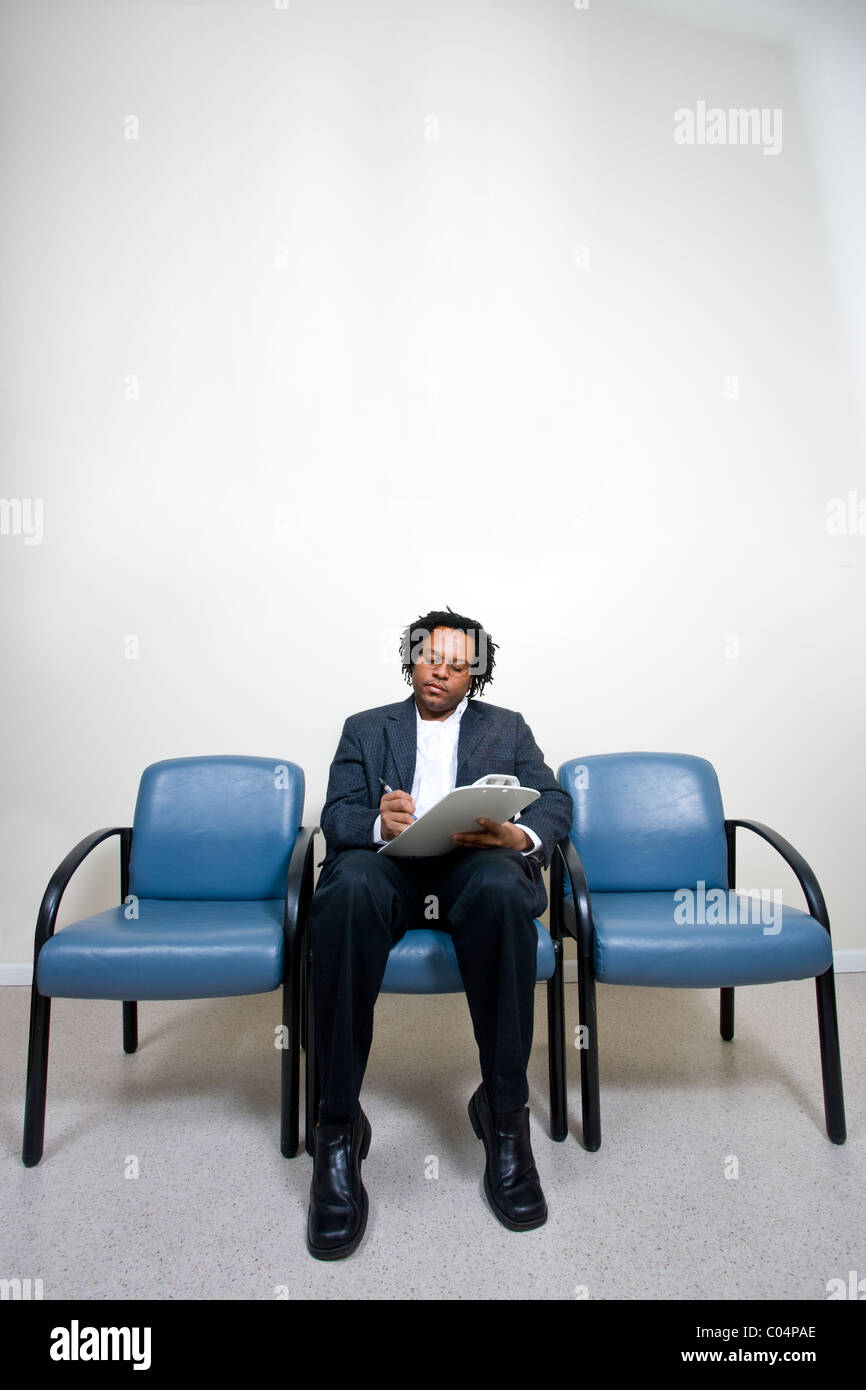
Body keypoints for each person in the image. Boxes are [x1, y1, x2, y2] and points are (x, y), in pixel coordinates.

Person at [306, 608, 573, 1259]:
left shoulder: (507, 728)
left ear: (474, 673)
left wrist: (518, 835)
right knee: (345, 891)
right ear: (412, 657)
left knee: (503, 887)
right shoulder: (367, 729)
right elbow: (335, 813)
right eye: (431, 658)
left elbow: (555, 802)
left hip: (471, 867)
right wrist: (376, 821)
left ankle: (506, 1119)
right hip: (386, 870)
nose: (441, 672)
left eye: (458, 664)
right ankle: (337, 1125)